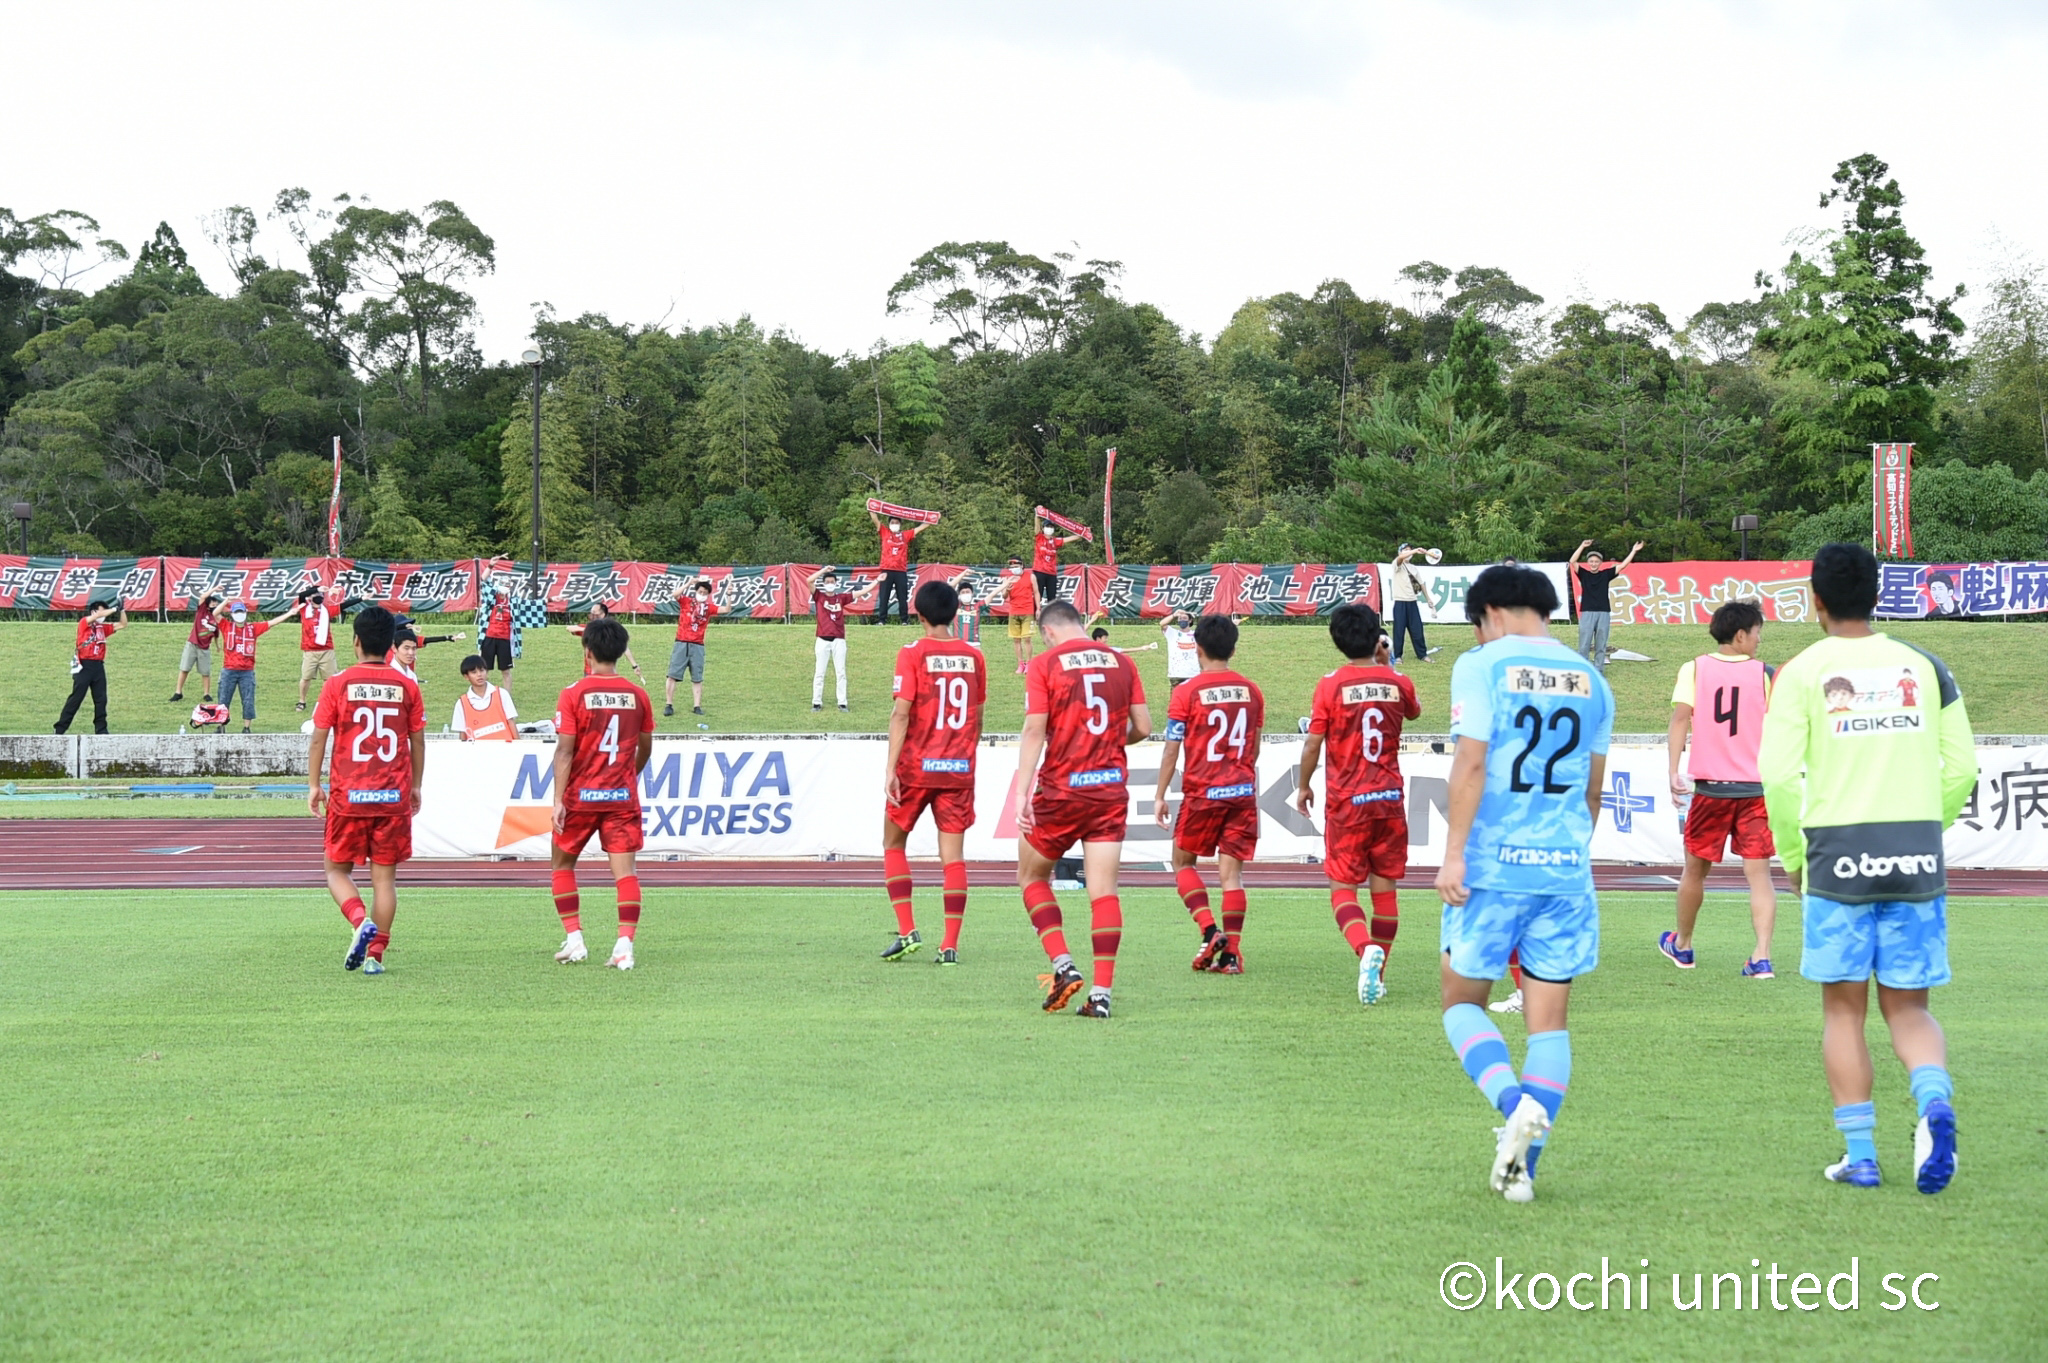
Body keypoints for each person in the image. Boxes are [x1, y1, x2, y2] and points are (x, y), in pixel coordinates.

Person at [1757, 543, 1970, 1195]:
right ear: (1878, 595)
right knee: (1909, 1010)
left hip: (1836, 857)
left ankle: (1862, 1156)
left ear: (1815, 599)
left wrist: (1795, 858)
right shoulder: (1926, 666)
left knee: (1844, 1013)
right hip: (1914, 853)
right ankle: (1933, 1101)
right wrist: (1923, 828)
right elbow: (1962, 767)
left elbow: (1777, 777)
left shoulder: (1799, 672)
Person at [1434, 564, 1615, 1203]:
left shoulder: (1481, 666)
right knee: (1549, 1026)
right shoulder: (1592, 679)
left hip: (1493, 867)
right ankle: (1523, 1169)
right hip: (1564, 871)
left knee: (1461, 1004)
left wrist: (1453, 855)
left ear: (1489, 614)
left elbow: (1471, 763)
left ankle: (1513, 1104)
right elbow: (1592, 792)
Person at [1012, 601, 1151, 1018]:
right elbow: (1144, 727)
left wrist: (1021, 792)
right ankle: (1102, 995)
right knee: (1104, 891)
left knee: (1031, 876)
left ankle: (1063, 965)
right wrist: (1106, 743)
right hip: (1108, 790)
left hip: (1062, 789)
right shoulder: (1122, 662)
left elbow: (1035, 729)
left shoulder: (1046, 663)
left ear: (1048, 632)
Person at [1295, 604, 1421, 1005]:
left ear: (1337, 641)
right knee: (1385, 892)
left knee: (1342, 889)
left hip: (1348, 801)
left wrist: (1303, 785)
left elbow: (1313, 743)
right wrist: (1388, 664)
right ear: (1377, 638)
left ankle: (1365, 949)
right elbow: (1414, 712)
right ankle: (1377, 978)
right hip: (1389, 798)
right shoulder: (1397, 681)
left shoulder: (1330, 685)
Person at [1660, 599, 1779, 978]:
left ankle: (1683, 945)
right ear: (1741, 635)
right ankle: (1761, 956)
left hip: (1711, 790)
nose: (1759, 640)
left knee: (1694, 872)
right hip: (1754, 791)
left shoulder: (1695, 668)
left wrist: (1673, 770)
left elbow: (1680, 719)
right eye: (1757, 632)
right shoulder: (1765, 674)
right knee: (1759, 876)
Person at [307, 606, 426, 976]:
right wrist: (416, 786)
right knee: (385, 880)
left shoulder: (337, 684)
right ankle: (375, 957)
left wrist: (314, 785)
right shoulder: (407, 685)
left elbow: (318, 738)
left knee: (335, 870)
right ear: (391, 644)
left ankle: (360, 919)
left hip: (350, 794)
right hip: (392, 794)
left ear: (355, 641)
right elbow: (418, 741)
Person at [879, 581, 987, 963]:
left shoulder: (913, 653)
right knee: (953, 859)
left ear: (919, 614)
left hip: (916, 766)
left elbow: (901, 713)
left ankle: (907, 930)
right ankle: (950, 945)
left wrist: (890, 769)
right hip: (958, 768)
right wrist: (965, 755)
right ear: (956, 612)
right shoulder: (973, 656)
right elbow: (977, 717)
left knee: (893, 844)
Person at [1155, 615, 1264, 975]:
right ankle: (1232, 956)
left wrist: (1160, 794)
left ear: (1197, 649)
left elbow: (1172, 749)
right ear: (1233, 649)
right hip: (1242, 791)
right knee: (1231, 876)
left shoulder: (1185, 692)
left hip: (1203, 791)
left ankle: (1209, 929)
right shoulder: (1252, 691)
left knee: (1182, 863)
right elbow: (1254, 747)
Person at [549, 616, 657, 971]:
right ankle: (624, 945)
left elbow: (564, 751)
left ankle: (575, 939)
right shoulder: (638, 694)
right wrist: (627, 775)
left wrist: (558, 800)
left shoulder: (574, 693)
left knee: (562, 865)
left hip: (580, 796)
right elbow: (645, 748)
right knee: (625, 873)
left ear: (588, 651)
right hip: (620, 797)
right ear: (621, 652)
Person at [217, 598, 298, 734]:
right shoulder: (226, 626)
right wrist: (226, 601)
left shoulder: (252, 628)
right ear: (231, 614)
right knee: (223, 699)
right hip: (229, 669)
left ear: (245, 613)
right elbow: (215, 614)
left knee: (248, 699)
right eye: (236, 612)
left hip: (247, 671)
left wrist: (290, 613)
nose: (239, 615)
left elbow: (271, 623)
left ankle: (246, 727)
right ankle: (221, 726)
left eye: (241, 612)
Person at [1567, 539, 1645, 671]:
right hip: (1587, 611)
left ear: (1600, 563)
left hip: (1603, 612)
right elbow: (1572, 561)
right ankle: (1583, 669)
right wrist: (1582, 546)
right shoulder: (1584, 574)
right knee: (1584, 644)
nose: (1593, 564)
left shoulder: (1605, 574)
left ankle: (1598, 670)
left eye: (1596, 561)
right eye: (1591, 561)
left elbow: (1622, 565)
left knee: (1601, 644)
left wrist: (1633, 551)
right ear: (1588, 563)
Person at [54, 599, 127, 735]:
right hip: (84, 665)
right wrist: (114, 609)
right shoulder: (84, 623)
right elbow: (97, 616)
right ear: (93, 612)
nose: (104, 614)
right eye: (102, 611)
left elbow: (123, 624)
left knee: (101, 699)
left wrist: (122, 610)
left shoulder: (102, 629)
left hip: (98, 666)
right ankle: (60, 728)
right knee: (76, 698)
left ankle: (101, 729)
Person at [666, 578, 717, 717]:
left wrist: (729, 595)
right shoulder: (686, 602)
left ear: (708, 595)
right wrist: (688, 583)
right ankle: (669, 704)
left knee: (697, 677)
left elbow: (726, 609)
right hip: (681, 642)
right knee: (672, 675)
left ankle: (697, 706)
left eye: (705, 593)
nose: (702, 594)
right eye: (700, 591)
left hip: (698, 644)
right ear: (696, 591)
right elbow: (675, 595)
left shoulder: (708, 608)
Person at [808, 566, 854, 711]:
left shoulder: (841, 598)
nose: (830, 584)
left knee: (841, 672)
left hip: (839, 640)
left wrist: (877, 581)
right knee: (819, 672)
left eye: (832, 581)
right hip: (822, 640)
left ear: (836, 583)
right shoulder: (819, 596)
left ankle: (842, 702)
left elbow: (859, 593)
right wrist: (824, 570)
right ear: (823, 583)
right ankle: (816, 702)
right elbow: (809, 581)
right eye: (827, 581)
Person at [871, 509, 928, 624]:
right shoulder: (885, 532)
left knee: (902, 597)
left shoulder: (905, 535)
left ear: (900, 524)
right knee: (884, 596)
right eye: (892, 522)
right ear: (889, 524)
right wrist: (871, 508)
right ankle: (882, 620)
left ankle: (904, 620)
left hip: (900, 571)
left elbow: (921, 528)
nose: (894, 524)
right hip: (886, 570)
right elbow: (875, 519)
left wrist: (932, 518)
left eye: (897, 523)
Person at [1386, 546, 1439, 665]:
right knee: (1399, 631)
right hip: (1400, 602)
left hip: (1412, 602)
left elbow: (1421, 584)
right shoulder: (1397, 564)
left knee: (1417, 630)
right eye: (1405, 550)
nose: (1408, 552)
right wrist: (1415, 550)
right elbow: (1401, 558)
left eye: (1409, 549)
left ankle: (1422, 654)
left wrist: (1428, 599)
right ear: (1400, 552)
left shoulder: (1413, 568)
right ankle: (1398, 656)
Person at [567, 602, 645, 681]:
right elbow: (570, 628)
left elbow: (624, 648)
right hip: (590, 672)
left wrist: (634, 666)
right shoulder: (588, 628)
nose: (591, 615)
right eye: (591, 612)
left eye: (594, 612)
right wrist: (590, 630)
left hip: (607, 672)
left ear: (602, 614)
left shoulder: (611, 631)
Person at [451, 654, 519, 740]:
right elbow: (463, 734)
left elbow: (511, 722)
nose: (479, 675)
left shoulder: (502, 694)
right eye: (474, 672)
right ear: (466, 676)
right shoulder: (461, 704)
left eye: (482, 670)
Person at [293, 586, 340, 712]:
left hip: (327, 650)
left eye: (321, 595)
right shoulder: (304, 608)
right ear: (311, 597)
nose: (319, 597)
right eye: (316, 595)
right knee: (306, 677)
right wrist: (318, 589)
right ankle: (302, 701)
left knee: (329, 679)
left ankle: (327, 701)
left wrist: (362, 598)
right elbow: (302, 595)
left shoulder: (327, 610)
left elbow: (344, 605)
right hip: (310, 651)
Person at [476, 560, 518, 697]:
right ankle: (483, 694)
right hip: (489, 636)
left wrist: (551, 600)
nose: (505, 588)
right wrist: (490, 565)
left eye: (507, 585)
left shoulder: (513, 601)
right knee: (484, 669)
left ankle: (507, 697)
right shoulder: (492, 597)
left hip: (504, 638)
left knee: (506, 670)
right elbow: (482, 580)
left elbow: (530, 606)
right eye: (503, 584)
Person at [171, 592, 222, 703]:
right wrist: (214, 589)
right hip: (192, 645)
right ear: (207, 604)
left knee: (206, 672)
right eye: (212, 604)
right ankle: (178, 692)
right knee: (184, 668)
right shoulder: (201, 611)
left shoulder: (216, 619)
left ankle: (206, 694)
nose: (214, 606)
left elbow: (216, 635)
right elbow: (203, 597)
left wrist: (218, 646)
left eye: (216, 605)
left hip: (205, 648)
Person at [1000, 557, 1039, 673]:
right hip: (1014, 612)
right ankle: (1020, 664)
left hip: (1028, 611)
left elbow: (1036, 592)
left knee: (1027, 638)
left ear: (1022, 566)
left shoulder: (1031, 577)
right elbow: (1004, 596)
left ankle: (1029, 663)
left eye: (1016, 566)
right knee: (1016, 639)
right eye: (1012, 567)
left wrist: (1038, 608)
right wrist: (1007, 589)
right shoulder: (1008, 579)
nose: (1014, 569)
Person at [1032, 519, 1082, 605]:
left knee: (1052, 598)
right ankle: (1035, 612)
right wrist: (1037, 516)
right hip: (1039, 571)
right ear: (1043, 528)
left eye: (1051, 527)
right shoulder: (1040, 538)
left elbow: (1069, 539)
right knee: (1037, 596)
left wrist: (1083, 533)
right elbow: (1036, 527)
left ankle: (1051, 613)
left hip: (1051, 573)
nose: (1050, 528)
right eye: (1048, 526)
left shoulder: (1055, 541)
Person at [1161, 610, 1201, 690]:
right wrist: (1174, 615)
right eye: (1180, 618)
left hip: (1193, 674)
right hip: (1176, 674)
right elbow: (1162, 624)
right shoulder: (1172, 633)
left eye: (1184, 618)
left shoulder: (1196, 634)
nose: (1182, 620)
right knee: (1176, 697)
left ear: (1190, 621)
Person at [947, 570, 982, 646]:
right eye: (963, 592)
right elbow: (949, 588)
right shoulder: (956, 604)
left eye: (967, 592)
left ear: (972, 593)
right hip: (957, 644)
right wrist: (963, 574)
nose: (965, 594)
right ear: (959, 594)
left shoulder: (977, 606)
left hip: (974, 644)